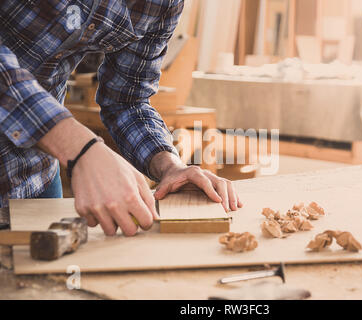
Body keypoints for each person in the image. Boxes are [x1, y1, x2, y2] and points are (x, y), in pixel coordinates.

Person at [0, 0, 242, 236]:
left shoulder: (163, 4)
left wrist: (169, 167)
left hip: (34, 177)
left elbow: (127, 100)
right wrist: (80, 148)